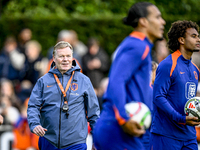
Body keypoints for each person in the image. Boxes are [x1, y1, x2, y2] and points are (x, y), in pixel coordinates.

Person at [93, 2, 165, 150]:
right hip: (118, 129)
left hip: (121, 130)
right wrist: (123, 120)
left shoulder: (138, 45)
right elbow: (116, 81)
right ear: (143, 21)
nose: (162, 22)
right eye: (157, 17)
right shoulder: (138, 46)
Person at [27, 41, 100, 150]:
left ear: (72, 57)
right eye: (61, 56)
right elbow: (33, 106)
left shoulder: (83, 80)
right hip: (49, 141)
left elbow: (94, 112)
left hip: (76, 143)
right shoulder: (43, 81)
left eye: (68, 56)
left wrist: (97, 140)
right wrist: (34, 124)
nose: (65, 59)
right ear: (54, 58)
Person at [150, 20, 200, 150]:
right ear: (182, 40)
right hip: (166, 135)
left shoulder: (195, 69)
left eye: (198, 36)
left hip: (189, 136)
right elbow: (158, 97)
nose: (198, 39)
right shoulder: (168, 64)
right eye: (194, 36)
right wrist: (180, 118)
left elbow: (190, 101)